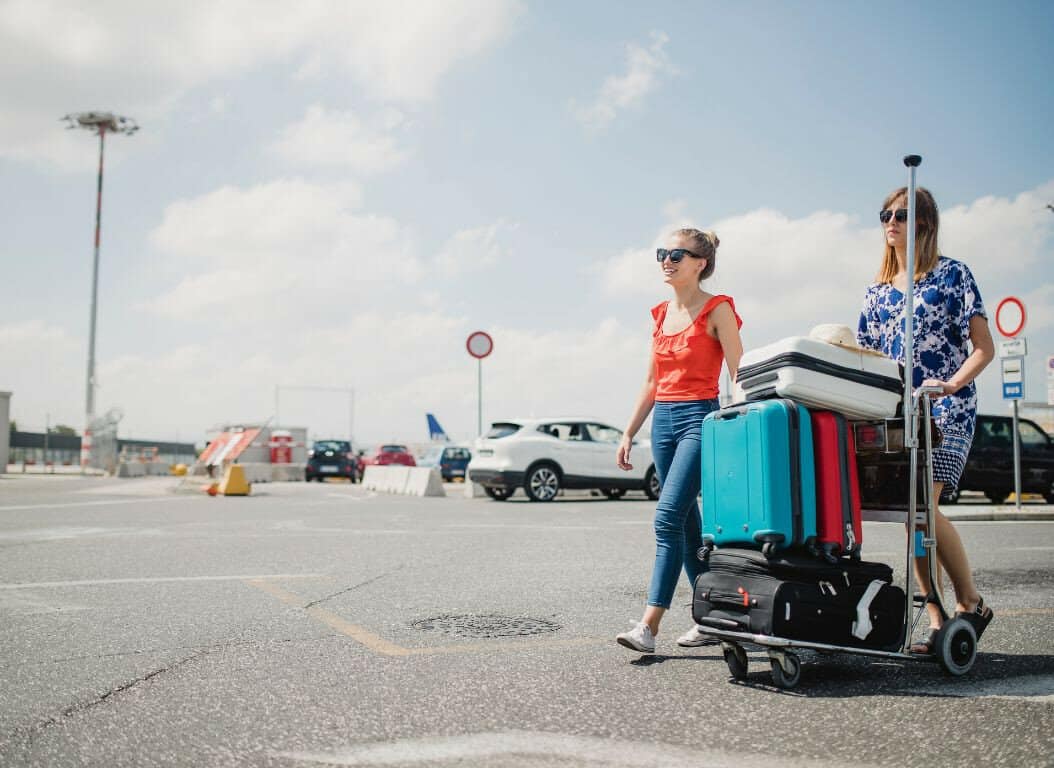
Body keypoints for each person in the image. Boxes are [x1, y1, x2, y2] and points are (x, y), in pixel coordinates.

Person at [856, 186, 995, 654]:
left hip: (947, 410)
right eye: (885, 215)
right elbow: (866, 359)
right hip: (899, 416)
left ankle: (968, 602)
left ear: (925, 223)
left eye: (901, 214)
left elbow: (983, 348)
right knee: (913, 515)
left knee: (922, 510)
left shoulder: (954, 276)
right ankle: (939, 617)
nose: (890, 222)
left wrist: (952, 383)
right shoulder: (876, 294)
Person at [614, 228, 743, 654]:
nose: (666, 261)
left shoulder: (718, 309)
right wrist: (629, 431)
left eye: (676, 254)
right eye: (661, 254)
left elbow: (739, 375)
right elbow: (651, 382)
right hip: (663, 423)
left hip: (698, 418)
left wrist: (741, 424)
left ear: (700, 263)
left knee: (667, 518)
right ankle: (716, 617)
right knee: (687, 526)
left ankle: (649, 626)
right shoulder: (659, 314)